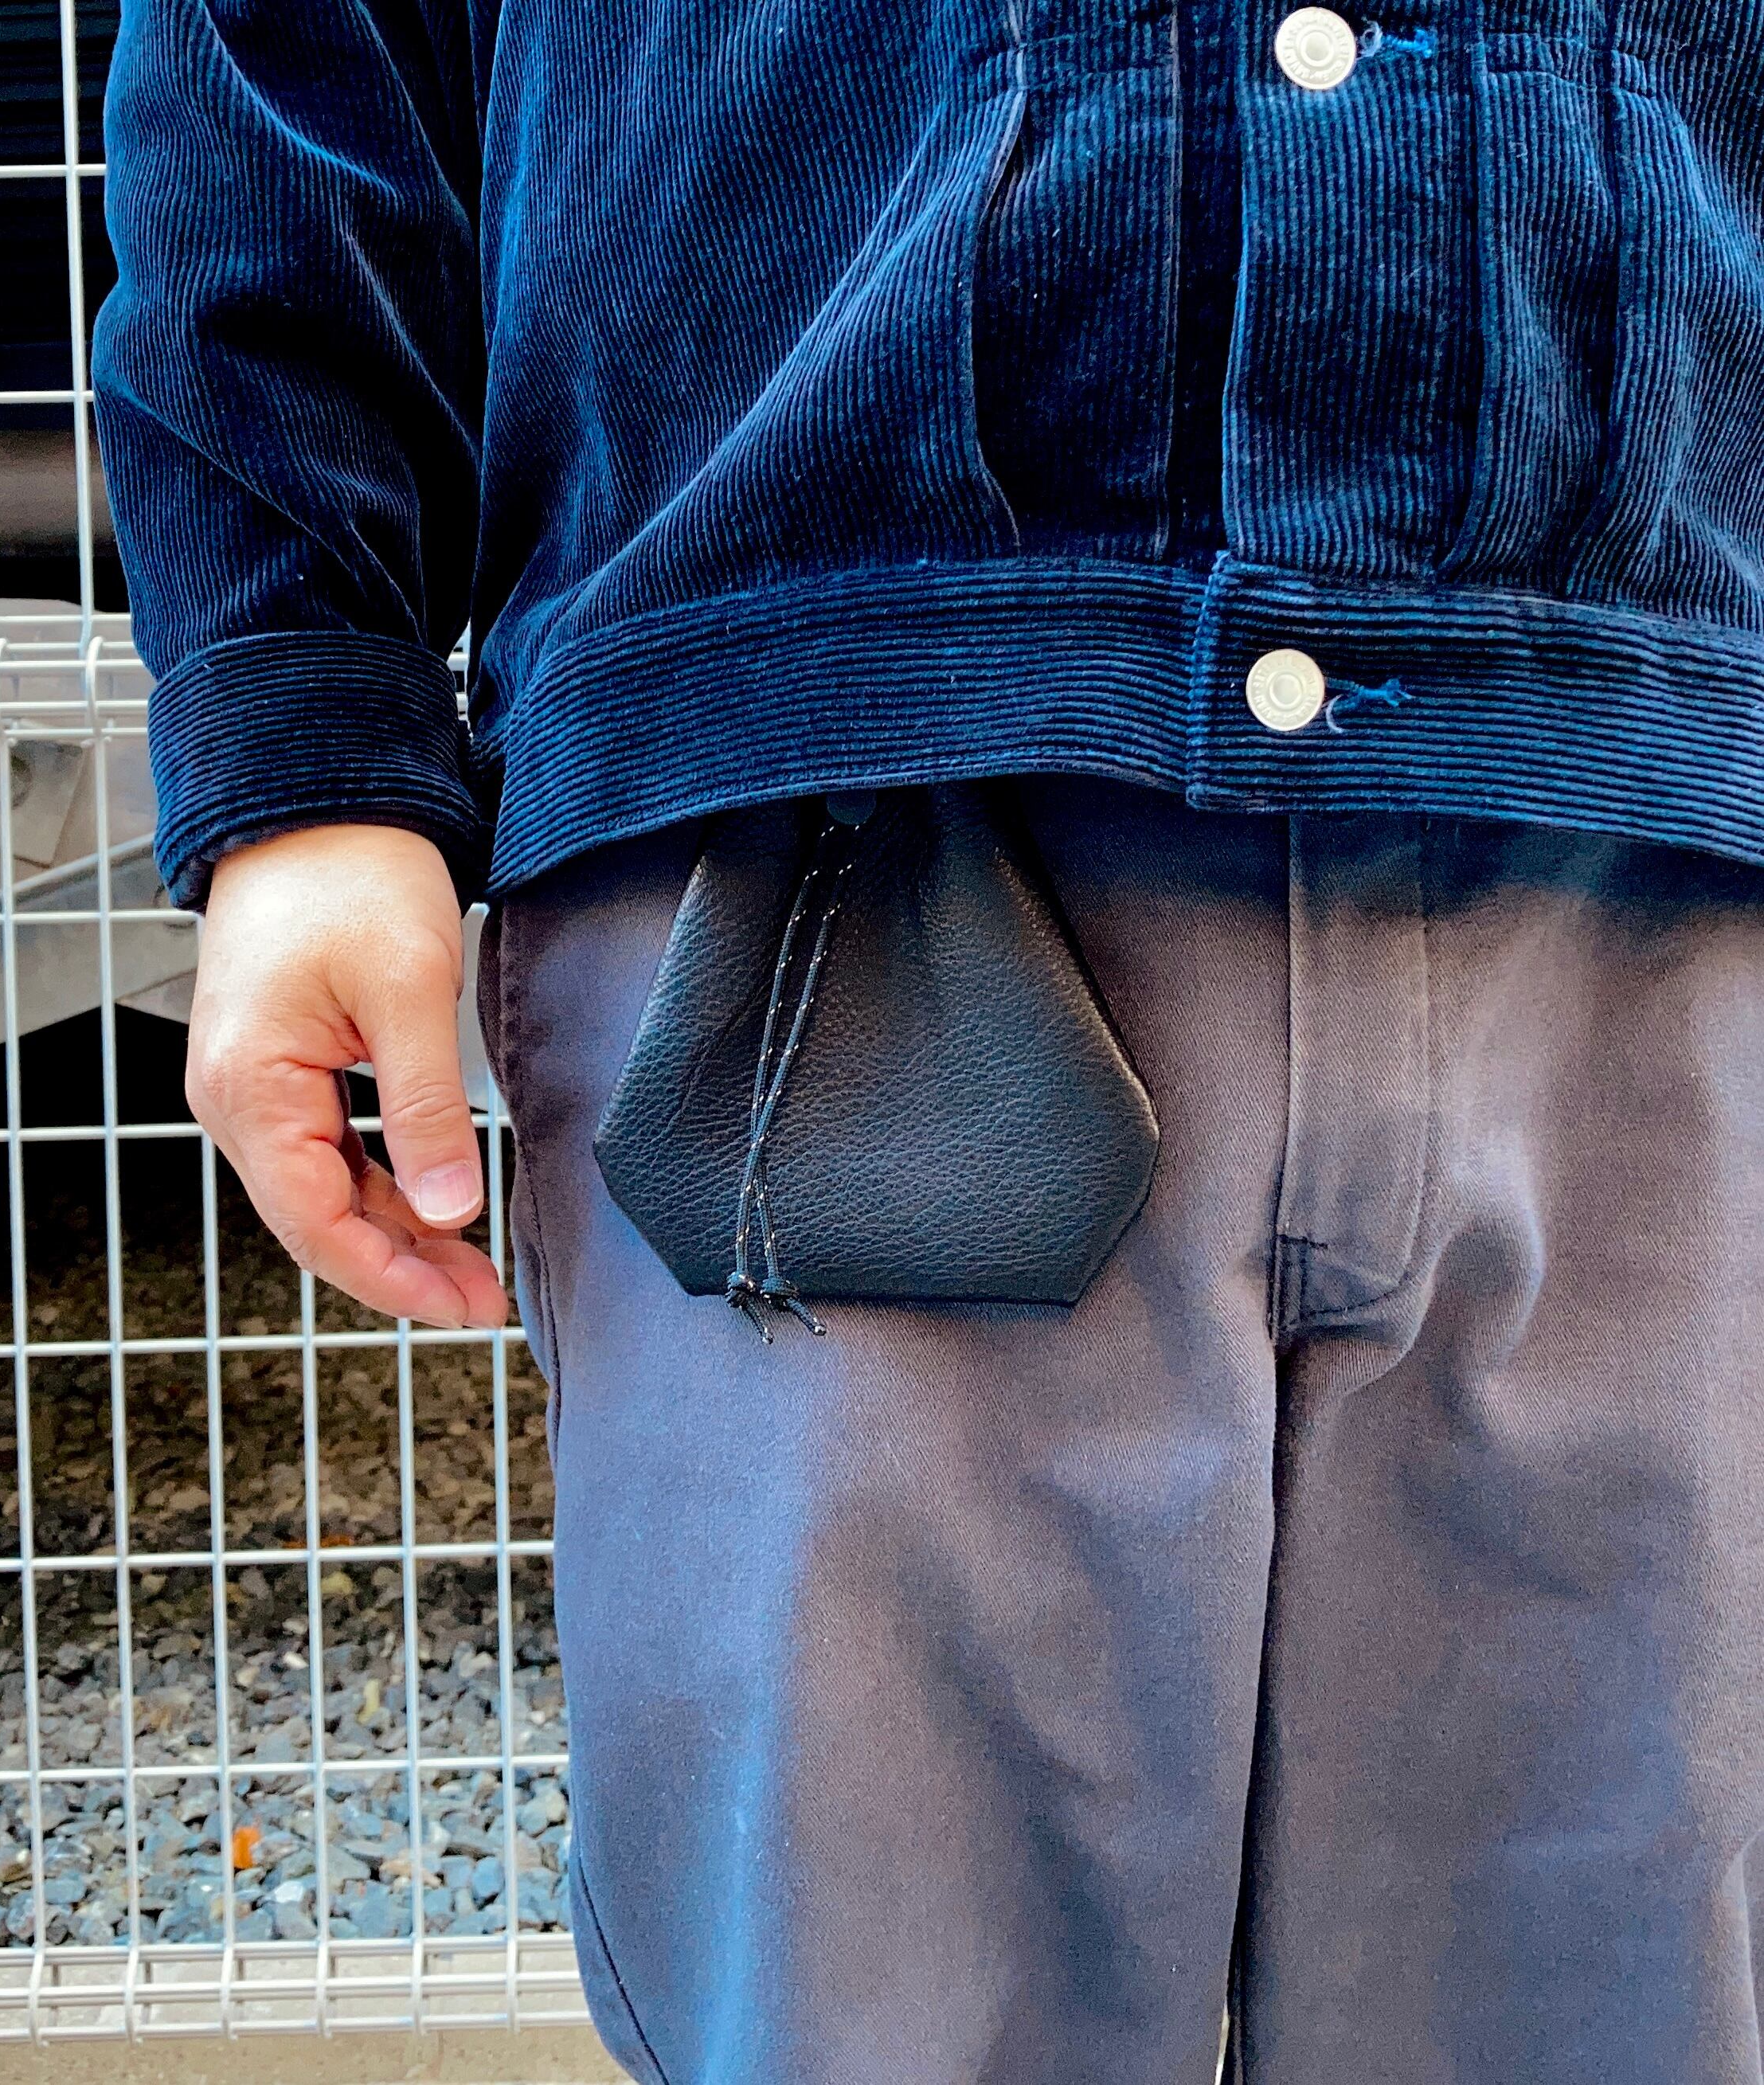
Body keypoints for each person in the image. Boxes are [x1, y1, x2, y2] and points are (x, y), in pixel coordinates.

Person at [89, 2, 1764, 2076]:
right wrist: (301, 735)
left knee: (1610, 2007)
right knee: (876, 2013)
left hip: (1663, 818)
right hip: (833, 828)